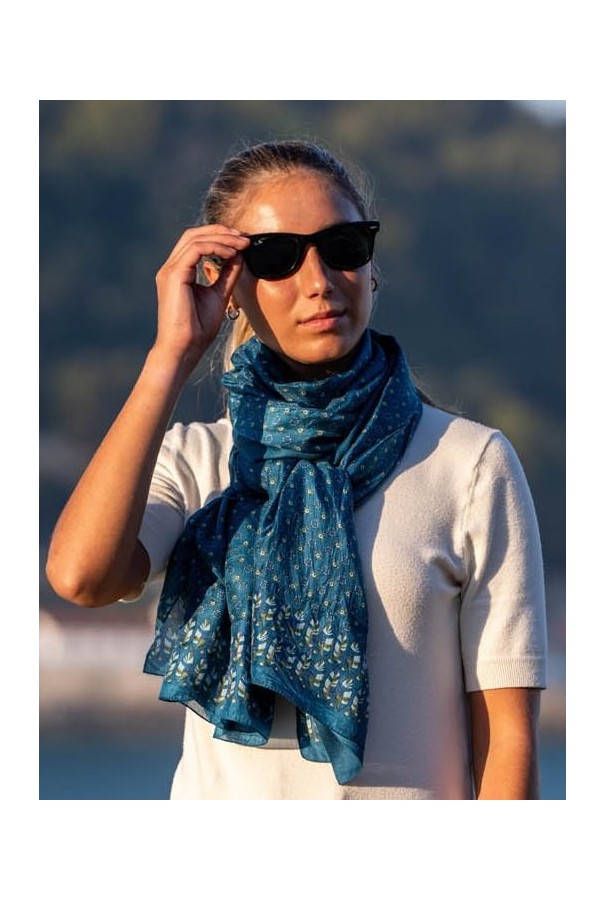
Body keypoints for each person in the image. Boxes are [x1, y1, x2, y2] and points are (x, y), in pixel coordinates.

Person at [46, 139, 548, 800]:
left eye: (343, 247)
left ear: (371, 269)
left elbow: (507, 741)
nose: (319, 281)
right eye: (276, 257)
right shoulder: (195, 460)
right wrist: (170, 355)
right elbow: (82, 577)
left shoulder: (468, 464)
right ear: (229, 286)